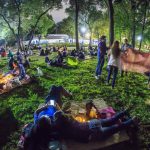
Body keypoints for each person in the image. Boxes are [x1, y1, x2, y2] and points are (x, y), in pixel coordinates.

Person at [53, 110, 137, 143]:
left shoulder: (63, 132)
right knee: (112, 120)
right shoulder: (69, 119)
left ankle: (132, 120)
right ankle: (125, 111)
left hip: (93, 134)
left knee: (116, 128)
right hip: (92, 123)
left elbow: (55, 135)